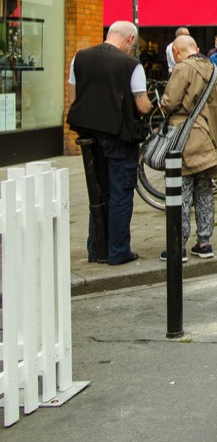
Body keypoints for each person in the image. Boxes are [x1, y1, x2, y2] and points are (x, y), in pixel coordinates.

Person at [67, 20, 152, 266]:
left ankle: (96, 249)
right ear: (130, 39)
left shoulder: (79, 58)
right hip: (119, 137)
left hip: (89, 137)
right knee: (121, 193)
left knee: (98, 192)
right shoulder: (131, 65)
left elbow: (73, 98)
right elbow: (142, 105)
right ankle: (118, 251)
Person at [158, 35, 217, 261]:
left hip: (185, 135)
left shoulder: (182, 69)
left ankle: (177, 245)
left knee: (181, 189)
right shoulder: (214, 69)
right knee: (204, 189)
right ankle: (204, 242)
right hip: (208, 136)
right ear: (196, 48)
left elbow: (169, 102)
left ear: (176, 52)